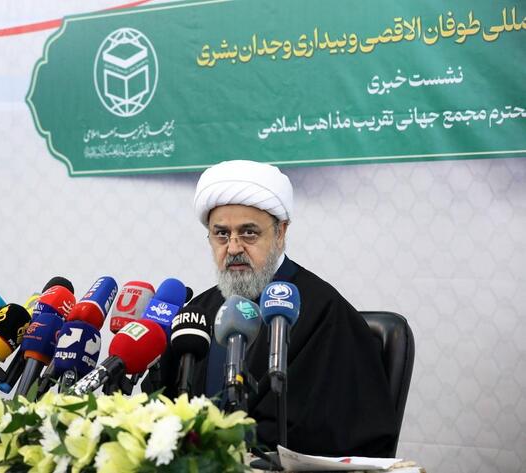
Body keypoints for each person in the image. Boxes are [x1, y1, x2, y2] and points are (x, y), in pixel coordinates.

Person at [149, 160, 399, 457]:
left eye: (249, 233)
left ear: (280, 232)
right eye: (221, 234)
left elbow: (331, 429)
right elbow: (161, 408)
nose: (233, 248)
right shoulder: (198, 313)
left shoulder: (325, 312)